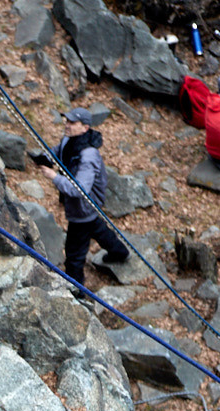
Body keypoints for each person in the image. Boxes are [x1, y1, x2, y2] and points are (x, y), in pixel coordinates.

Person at [51, 108, 127, 289]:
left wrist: (53, 177)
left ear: (85, 128)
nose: (67, 125)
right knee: (97, 228)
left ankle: (76, 291)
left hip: (83, 206)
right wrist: (44, 157)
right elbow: (57, 151)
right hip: (84, 208)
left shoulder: (88, 155)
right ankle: (119, 251)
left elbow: (80, 190)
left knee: (74, 254)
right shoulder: (69, 141)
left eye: (72, 123)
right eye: (67, 121)